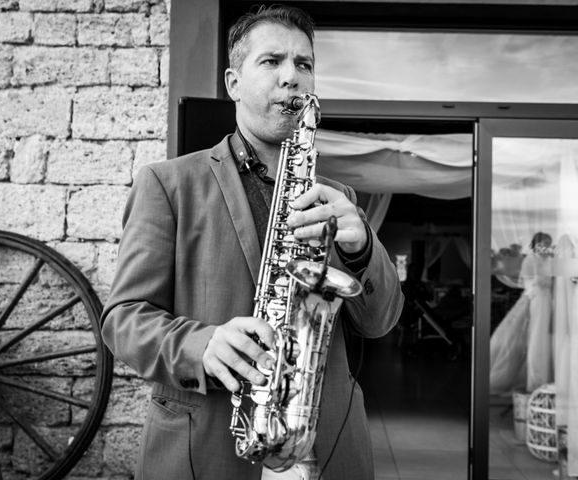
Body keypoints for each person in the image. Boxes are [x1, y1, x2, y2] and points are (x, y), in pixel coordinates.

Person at [100, 5, 403, 480]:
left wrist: (362, 245)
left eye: (304, 64)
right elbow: (122, 321)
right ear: (232, 82)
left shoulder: (338, 198)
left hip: (328, 446)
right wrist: (203, 344)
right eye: (272, 61)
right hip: (208, 448)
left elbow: (381, 320)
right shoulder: (168, 183)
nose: (292, 78)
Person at [489, 232, 553, 395]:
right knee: (531, 336)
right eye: (544, 244)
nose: (547, 247)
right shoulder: (531, 260)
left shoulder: (547, 260)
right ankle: (534, 378)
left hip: (545, 300)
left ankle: (542, 376)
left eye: (548, 244)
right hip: (537, 299)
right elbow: (536, 282)